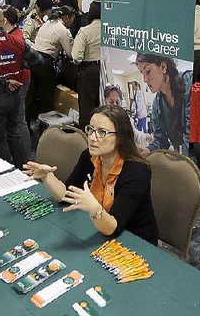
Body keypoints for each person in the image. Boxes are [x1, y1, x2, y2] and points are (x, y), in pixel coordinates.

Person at [24, 104, 159, 244]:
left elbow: (112, 227)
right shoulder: (89, 157)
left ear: (120, 137)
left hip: (134, 241)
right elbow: (66, 195)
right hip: (101, 228)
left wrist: (94, 208)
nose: (93, 138)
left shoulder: (137, 171)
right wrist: (47, 176)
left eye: (102, 132)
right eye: (90, 130)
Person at [0, 6, 43, 168]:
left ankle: (5, 174)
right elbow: (39, 61)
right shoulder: (17, 42)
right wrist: (19, 67)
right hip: (14, 98)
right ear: (3, 21)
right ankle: (23, 170)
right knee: (14, 134)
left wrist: (4, 82)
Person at [136, 53, 192, 156]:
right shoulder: (157, 104)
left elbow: (192, 137)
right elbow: (160, 141)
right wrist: (148, 150)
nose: (144, 79)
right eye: (142, 73)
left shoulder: (190, 84)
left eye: (148, 71)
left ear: (163, 67)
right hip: (182, 159)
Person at [28, 4, 76, 123]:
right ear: (67, 17)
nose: (73, 22)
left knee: (32, 94)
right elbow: (71, 53)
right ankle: (45, 125)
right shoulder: (62, 30)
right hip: (45, 62)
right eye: (72, 19)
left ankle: (28, 121)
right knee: (47, 95)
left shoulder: (48, 23)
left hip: (34, 59)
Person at [4, 5, 32, 156]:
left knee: (19, 118)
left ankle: (25, 155)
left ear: (5, 20)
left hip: (19, 81)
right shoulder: (13, 34)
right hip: (18, 79)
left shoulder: (14, 38)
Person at [72, 1, 101, 129]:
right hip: (105, 70)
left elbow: (76, 56)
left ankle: (86, 139)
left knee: (86, 108)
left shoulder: (85, 31)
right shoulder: (111, 30)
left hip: (88, 71)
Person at [104, 84, 152, 150]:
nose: (115, 105)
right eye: (111, 102)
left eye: (117, 102)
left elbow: (134, 134)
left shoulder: (126, 118)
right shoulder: (102, 121)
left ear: (121, 103)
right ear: (105, 102)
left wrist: (147, 136)